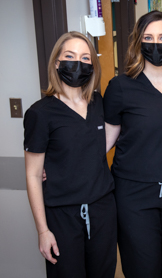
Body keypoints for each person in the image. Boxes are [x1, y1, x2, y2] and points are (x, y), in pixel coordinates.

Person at [103, 10, 162, 278]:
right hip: (134, 195)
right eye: (148, 37)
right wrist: (61, 165)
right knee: (141, 267)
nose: (156, 44)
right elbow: (105, 141)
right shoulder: (120, 87)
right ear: (138, 42)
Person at [24, 31, 117, 278]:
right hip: (62, 217)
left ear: (92, 65)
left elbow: (101, 141)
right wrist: (43, 231)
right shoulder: (40, 113)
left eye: (86, 58)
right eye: (70, 56)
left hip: (102, 211)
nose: (78, 63)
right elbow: (33, 175)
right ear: (57, 62)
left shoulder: (99, 103)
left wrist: (71, 159)